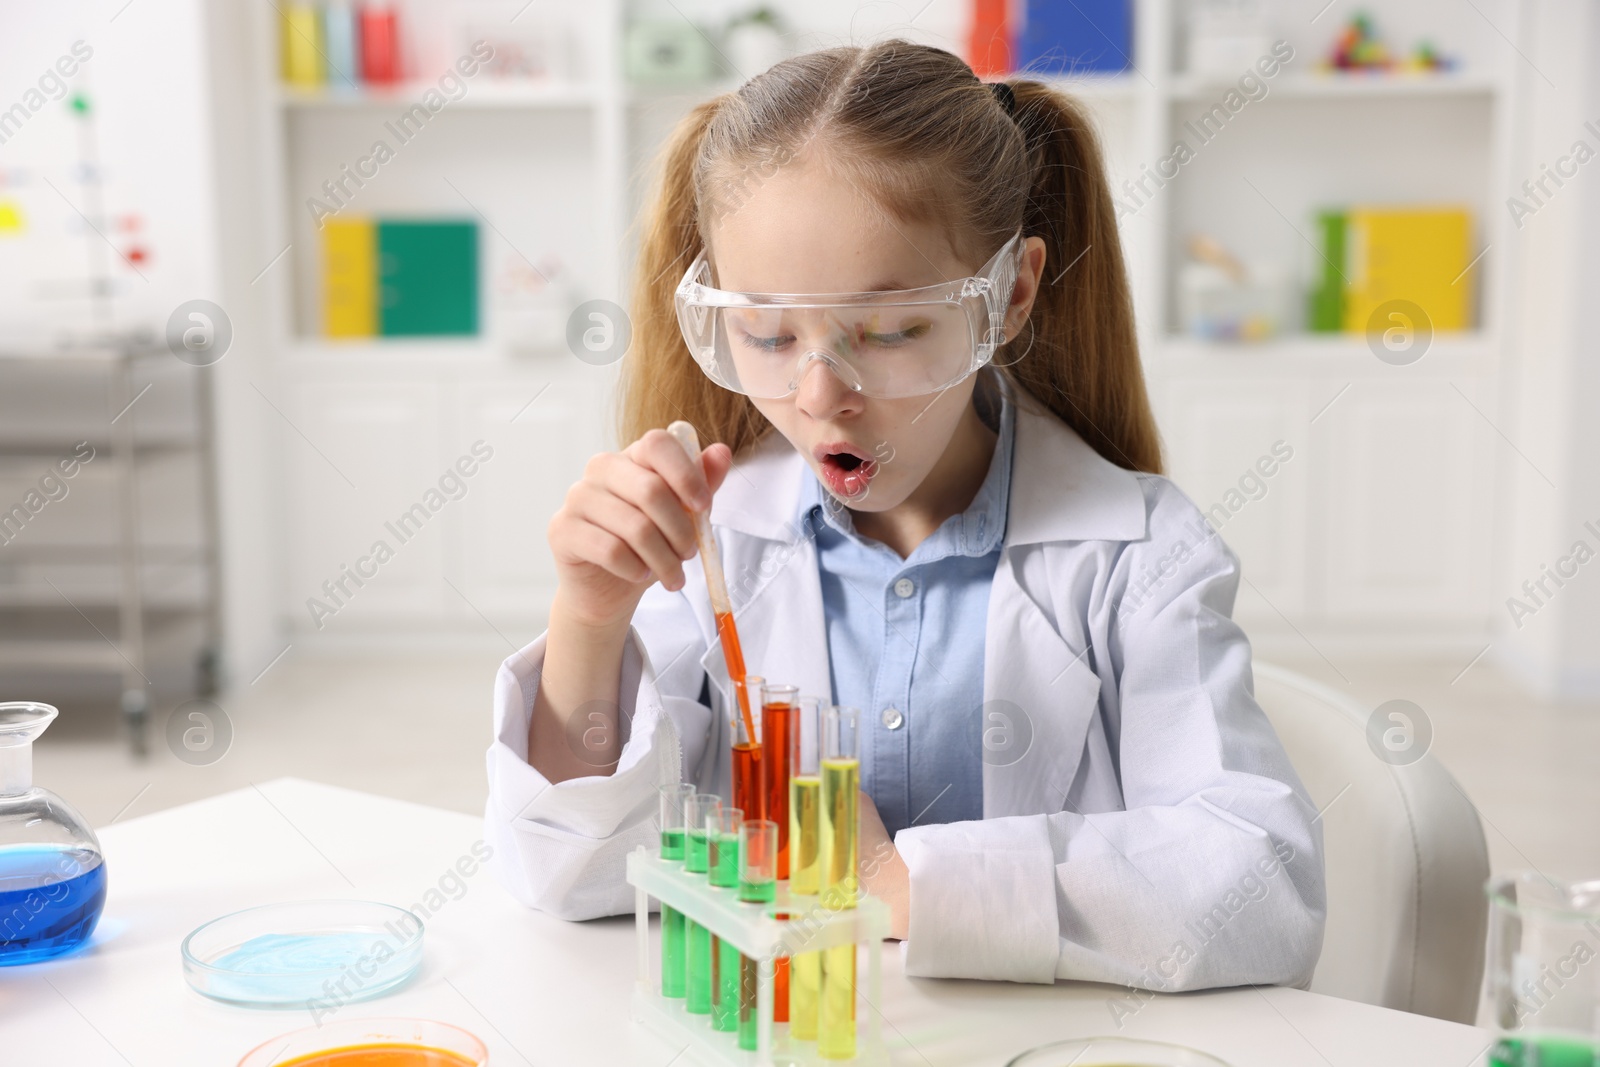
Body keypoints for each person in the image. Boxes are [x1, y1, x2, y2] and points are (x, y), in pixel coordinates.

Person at [485, 39, 1325, 990]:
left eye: (889, 332)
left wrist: (895, 884)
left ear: (1007, 296)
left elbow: (1264, 886)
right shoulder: (713, 540)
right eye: (765, 333)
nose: (821, 395)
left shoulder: (1138, 555)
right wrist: (589, 623)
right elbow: (574, 868)